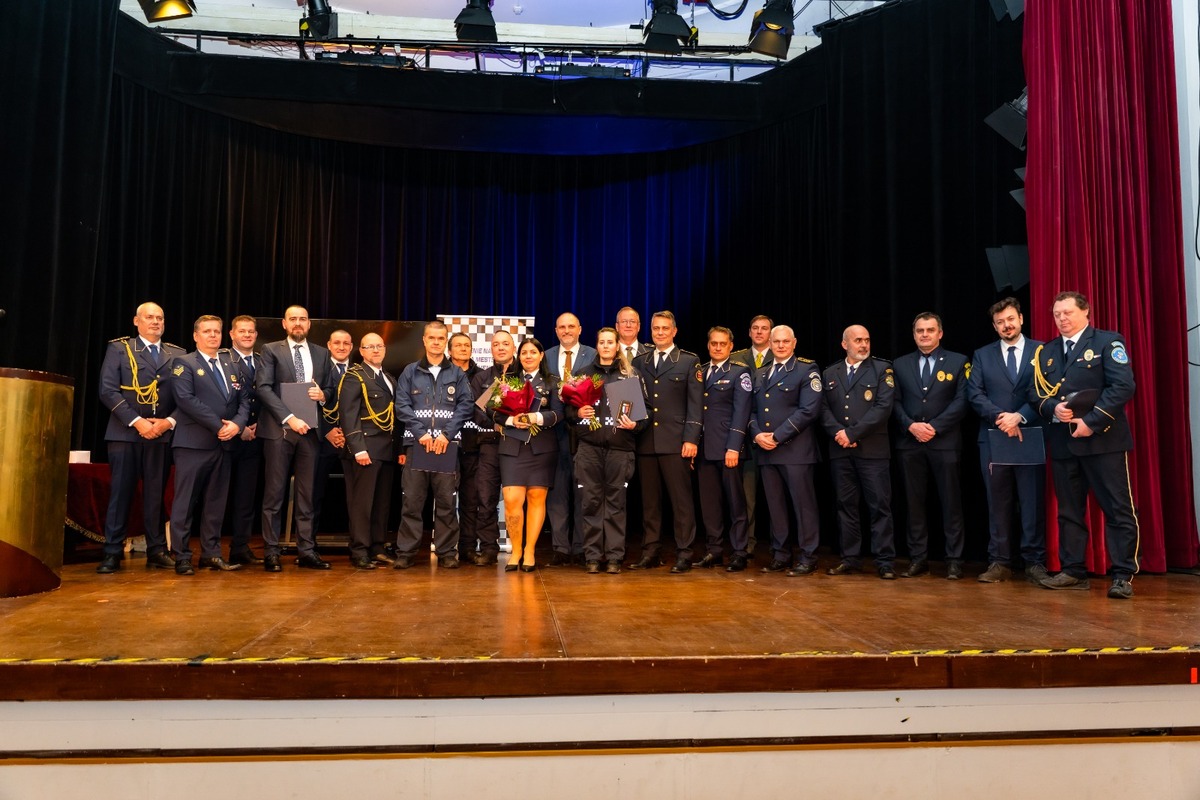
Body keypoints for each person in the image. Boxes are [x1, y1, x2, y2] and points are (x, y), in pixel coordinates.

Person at [1029, 291, 1139, 599]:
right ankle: (1073, 571)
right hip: (1063, 444)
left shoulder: (1107, 343)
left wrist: (1092, 421)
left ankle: (1123, 575)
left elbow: (1123, 386)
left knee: (1118, 509)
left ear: (1086, 312)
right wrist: (1052, 408)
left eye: (1068, 312)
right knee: (1069, 511)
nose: (1062, 319)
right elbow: (1035, 392)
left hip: (1103, 441)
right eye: (1057, 314)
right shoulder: (1047, 351)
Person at [96, 302, 185, 574]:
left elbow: (187, 395)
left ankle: (157, 550)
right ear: (137, 321)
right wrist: (138, 422)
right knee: (121, 494)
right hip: (125, 433)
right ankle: (112, 552)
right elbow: (107, 390)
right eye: (149, 317)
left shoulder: (177, 353)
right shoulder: (119, 349)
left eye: (160, 318)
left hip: (161, 434)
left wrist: (168, 422)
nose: (156, 322)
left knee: (156, 496)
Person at [966, 298, 1047, 584]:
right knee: (997, 502)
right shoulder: (982, 355)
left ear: (1021, 319)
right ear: (994, 326)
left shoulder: (1041, 351)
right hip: (994, 436)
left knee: (1032, 502)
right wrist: (1002, 418)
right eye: (1000, 322)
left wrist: (1020, 416)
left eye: (1010, 319)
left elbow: (1046, 390)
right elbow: (974, 393)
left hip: (1030, 435)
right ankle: (1000, 561)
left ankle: (1034, 561)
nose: (1006, 325)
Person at [167, 315, 252, 575]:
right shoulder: (184, 363)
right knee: (185, 503)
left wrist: (237, 425)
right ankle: (182, 556)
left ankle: (211, 554)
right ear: (196, 336)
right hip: (193, 444)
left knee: (216, 503)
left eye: (217, 331)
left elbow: (244, 399)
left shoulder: (230, 364)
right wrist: (220, 426)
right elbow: (186, 400)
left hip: (224, 445)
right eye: (207, 331)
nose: (213, 335)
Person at [255, 305, 337, 572]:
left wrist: (323, 396)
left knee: (307, 494)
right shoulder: (270, 350)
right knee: (274, 494)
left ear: (309, 324)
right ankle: (271, 551)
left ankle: (307, 550)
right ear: (284, 323)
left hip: (310, 432)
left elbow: (330, 389)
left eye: (303, 319)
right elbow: (263, 389)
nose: (298, 323)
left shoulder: (322, 353)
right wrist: (289, 418)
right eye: (293, 319)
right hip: (280, 431)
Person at [891, 312, 970, 579]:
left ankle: (954, 560)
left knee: (951, 502)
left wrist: (935, 427)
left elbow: (962, 401)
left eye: (930, 330)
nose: (925, 334)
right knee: (914, 504)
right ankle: (918, 559)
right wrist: (910, 426)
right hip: (910, 443)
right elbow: (893, 402)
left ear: (940, 333)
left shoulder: (959, 361)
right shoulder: (899, 364)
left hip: (945, 443)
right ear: (914, 335)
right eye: (920, 331)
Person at [393, 320, 474, 570]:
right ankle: (406, 552)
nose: (436, 342)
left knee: (447, 502)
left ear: (445, 341)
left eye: (440, 338)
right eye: (432, 338)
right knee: (412, 502)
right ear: (424, 340)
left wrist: (446, 435)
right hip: (417, 446)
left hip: (446, 447)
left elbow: (466, 406)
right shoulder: (410, 371)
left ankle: (447, 552)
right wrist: (421, 434)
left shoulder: (457, 374)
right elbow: (401, 405)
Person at [567, 327, 647, 574]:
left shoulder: (630, 374)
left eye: (610, 342)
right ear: (596, 345)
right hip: (589, 449)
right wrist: (578, 412)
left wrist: (635, 424)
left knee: (616, 504)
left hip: (620, 449)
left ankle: (614, 557)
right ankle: (592, 556)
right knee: (590, 503)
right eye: (601, 342)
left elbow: (645, 414)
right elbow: (567, 411)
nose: (605, 346)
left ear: (617, 346)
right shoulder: (582, 374)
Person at [820, 325, 897, 579]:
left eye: (867, 340)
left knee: (880, 507)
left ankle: (884, 561)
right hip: (840, 451)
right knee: (845, 506)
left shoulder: (882, 369)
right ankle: (850, 558)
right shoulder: (830, 372)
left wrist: (851, 434)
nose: (863, 345)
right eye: (858, 340)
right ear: (845, 344)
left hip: (872, 451)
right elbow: (823, 409)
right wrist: (839, 433)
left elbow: (883, 408)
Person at [631, 310, 703, 573]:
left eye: (665, 328)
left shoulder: (688, 361)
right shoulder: (639, 362)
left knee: (681, 502)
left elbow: (696, 405)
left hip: (675, 442)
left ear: (674, 331)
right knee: (650, 503)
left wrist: (691, 439)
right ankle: (651, 551)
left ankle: (685, 553)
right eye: (656, 328)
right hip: (646, 441)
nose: (660, 332)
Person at [749, 325, 823, 576]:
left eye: (785, 341)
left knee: (803, 507)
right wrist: (756, 434)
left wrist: (777, 436)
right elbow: (752, 410)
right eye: (776, 341)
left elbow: (809, 410)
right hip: (767, 451)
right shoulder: (760, 372)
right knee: (775, 507)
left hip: (796, 452)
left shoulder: (806, 369)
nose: (780, 346)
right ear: (769, 343)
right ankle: (780, 554)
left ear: (794, 343)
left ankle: (808, 556)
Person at [485, 337, 564, 571]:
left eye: (533, 352)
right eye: (524, 353)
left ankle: (529, 551)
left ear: (541, 355)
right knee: (512, 501)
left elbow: (559, 414)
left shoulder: (553, 382)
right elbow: (490, 410)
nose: (528, 356)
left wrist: (536, 417)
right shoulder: (507, 380)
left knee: (536, 498)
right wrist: (511, 420)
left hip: (542, 448)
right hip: (512, 447)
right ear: (518, 357)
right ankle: (516, 550)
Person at [694, 326, 752, 571]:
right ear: (708, 345)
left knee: (736, 503)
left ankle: (739, 552)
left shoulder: (740, 372)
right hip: (705, 448)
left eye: (722, 344)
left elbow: (742, 412)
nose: (717, 348)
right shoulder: (700, 371)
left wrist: (734, 447)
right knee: (710, 505)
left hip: (729, 449)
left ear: (731, 346)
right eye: (714, 343)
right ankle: (714, 550)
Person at [337, 333, 397, 570]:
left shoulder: (388, 378)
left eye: (379, 346)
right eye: (369, 347)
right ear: (361, 351)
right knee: (362, 503)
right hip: (365, 449)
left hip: (386, 449)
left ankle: (377, 547)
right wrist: (358, 448)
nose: (375, 350)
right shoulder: (355, 376)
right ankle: (359, 550)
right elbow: (348, 414)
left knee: (381, 503)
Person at [543, 312, 597, 565]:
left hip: (585, 434)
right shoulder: (546, 356)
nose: (566, 331)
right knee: (557, 494)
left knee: (584, 493)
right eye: (562, 327)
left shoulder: (593, 355)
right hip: (553, 435)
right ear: (556, 331)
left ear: (580, 329)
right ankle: (560, 548)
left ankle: (582, 547)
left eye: (571, 326)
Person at [467, 330, 517, 567]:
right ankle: (488, 548)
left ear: (513, 347)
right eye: (496, 344)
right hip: (489, 444)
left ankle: (521, 548)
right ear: (491, 349)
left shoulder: (523, 375)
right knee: (486, 497)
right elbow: (475, 411)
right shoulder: (482, 378)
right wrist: (495, 423)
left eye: (505, 343)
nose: (501, 348)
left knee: (516, 499)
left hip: (518, 445)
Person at [729, 314, 774, 556]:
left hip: (774, 437)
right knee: (747, 496)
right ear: (749, 332)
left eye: (764, 328)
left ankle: (780, 545)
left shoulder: (781, 356)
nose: (759, 332)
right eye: (755, 328)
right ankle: (746, 543)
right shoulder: (736, 359)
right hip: (745, 437)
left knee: (777, 496)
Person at [225, 314, 265, 565]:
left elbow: (271, 395)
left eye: (251, 331)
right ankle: (210, 549)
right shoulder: (222, 359)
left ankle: (240, 546)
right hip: (227, 436)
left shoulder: (263, 361)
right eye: (242, 331)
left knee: (246, 496)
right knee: (218, 495)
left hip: (256, 437)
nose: (247, 335)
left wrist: (260, 424)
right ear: (232, 334)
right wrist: (240, 428)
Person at [449, 331, 487, 564]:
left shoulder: (483, 376)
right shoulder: (442, 374)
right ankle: (445, 548)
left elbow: (484, 409)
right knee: (445, 499)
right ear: (450, 350)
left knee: (471, 500)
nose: (463, 348)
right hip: (444, 445)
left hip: (473, 446)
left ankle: (468, 547)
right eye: (458, 345)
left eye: (467, 345)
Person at [313, 329, 354, 533]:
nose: (341, 347)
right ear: (329, 345)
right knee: (314, 493)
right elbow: (308, 405)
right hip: (321, 441)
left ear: (352, 347)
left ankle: (358, 541)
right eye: (336, 343)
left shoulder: (359, 371)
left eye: (346, 343)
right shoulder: (316, 370)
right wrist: (327, 430)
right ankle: (309, 542)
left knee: (357, 494)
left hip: (352, 441)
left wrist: (349, 434)